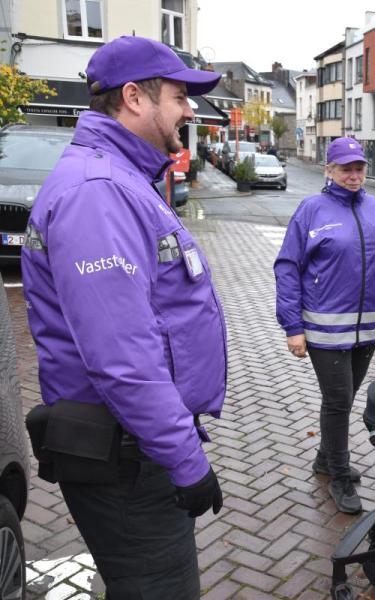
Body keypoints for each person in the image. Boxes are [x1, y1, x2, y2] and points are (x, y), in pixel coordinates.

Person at [21, 36, 225, 599]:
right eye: (181, 96)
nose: (190, 110)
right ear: (134, 97)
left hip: (135, 447)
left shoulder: (122, 178)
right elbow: (121, 359)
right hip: (129, 461)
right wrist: (186, 461)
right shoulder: (99, 193)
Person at [274, 137, 375, 514]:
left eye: (358, 168)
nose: (353, 175)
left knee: (344, 400)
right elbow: (288, 268)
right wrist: (292, 326)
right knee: (337, 401)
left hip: (367, 332)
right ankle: (339, 474)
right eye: (345, 168)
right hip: (322, 332)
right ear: (328, 170)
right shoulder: (311, 210)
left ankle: (324, 458)